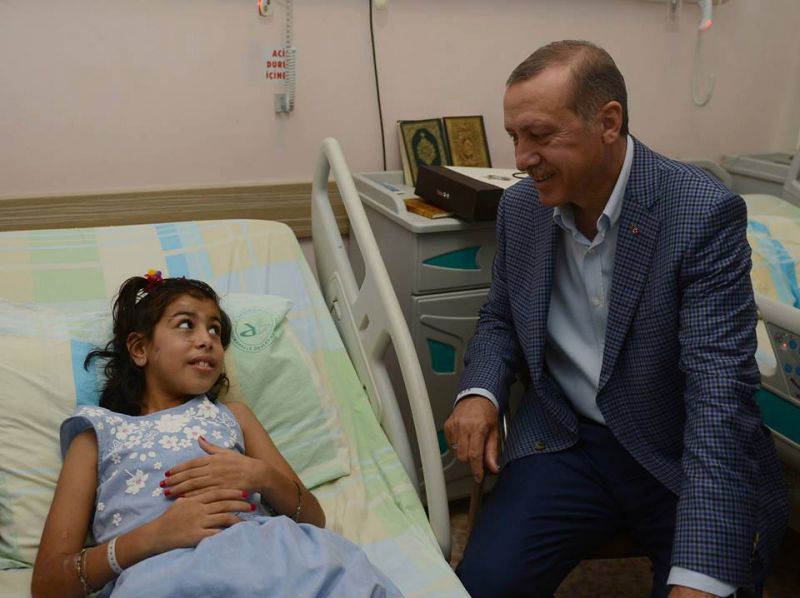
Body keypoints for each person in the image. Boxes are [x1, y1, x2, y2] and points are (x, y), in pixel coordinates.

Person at [444, 40, 787, 598]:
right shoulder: (522, 209)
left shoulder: (699, 214)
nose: (522, 158)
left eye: (539, 135)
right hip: (566, 440)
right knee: (483, 585)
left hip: (678, 450)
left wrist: (700, 578)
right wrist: (479, 392)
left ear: (608, 122)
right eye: (514, 136)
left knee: (709, 583)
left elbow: (718, 394)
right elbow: (501, 316)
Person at [31, 272, 400, 597]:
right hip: (162, 576)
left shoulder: (232, 416)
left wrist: (261, 476)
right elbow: (48, 584)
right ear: (140, 349)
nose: (207, 339)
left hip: (274, 559)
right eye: (185, 324)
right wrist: (153, 536)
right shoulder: (98, 434)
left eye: (215, 330)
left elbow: (313, 519)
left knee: (348, 574)